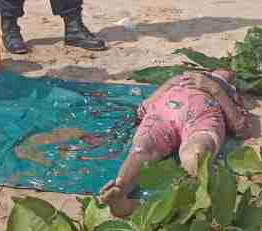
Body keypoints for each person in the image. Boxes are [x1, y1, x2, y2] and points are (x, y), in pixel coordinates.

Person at [98, 70, 252, 218]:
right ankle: (120, 191)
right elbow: (144, 108)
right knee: (141, 149)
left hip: (201, 117)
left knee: (196, 154)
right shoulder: (178, 80)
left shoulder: (224, 92)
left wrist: (214, 89)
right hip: (162, 116)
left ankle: (165, 202)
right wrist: (169, 84)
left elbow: (241, 128)